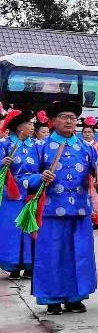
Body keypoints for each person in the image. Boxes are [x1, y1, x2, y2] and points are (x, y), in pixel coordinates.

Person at [25, 99, 98, 315]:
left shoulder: (87, 148)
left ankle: (75, 297)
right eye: (65, 117)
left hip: (81, 213)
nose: (70, 121)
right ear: (54, 121)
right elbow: (23, 177)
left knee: (80, 254)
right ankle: (51, 298)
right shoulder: (41, 147)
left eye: (73, 118)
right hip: (50, 212)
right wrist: (40, 177)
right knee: (51, 255)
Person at [0, 107, 39, 280]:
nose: (32, 127)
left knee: (31, 229)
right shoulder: (5, 144)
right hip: (12, 196)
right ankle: (13, 265)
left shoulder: (37, 146)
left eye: (33, 124)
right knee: (13, 230)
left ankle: (30, 265)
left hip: (32, 194)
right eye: (29, 123)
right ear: (18, 126)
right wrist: (2, 162)